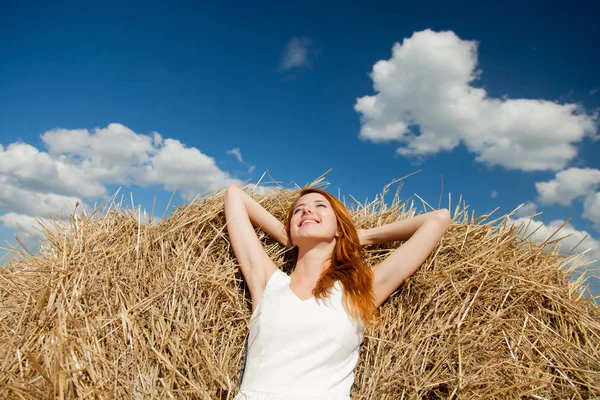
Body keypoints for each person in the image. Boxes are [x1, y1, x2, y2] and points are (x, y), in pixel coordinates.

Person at [224, 184, 451, 400]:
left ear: (339, 228)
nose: (308, 210)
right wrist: (289, 237)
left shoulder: (361, 289)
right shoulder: (266, 283)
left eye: (320, 206)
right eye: (298, 211)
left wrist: (362, 236)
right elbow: (235, 196)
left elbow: (438, 219)